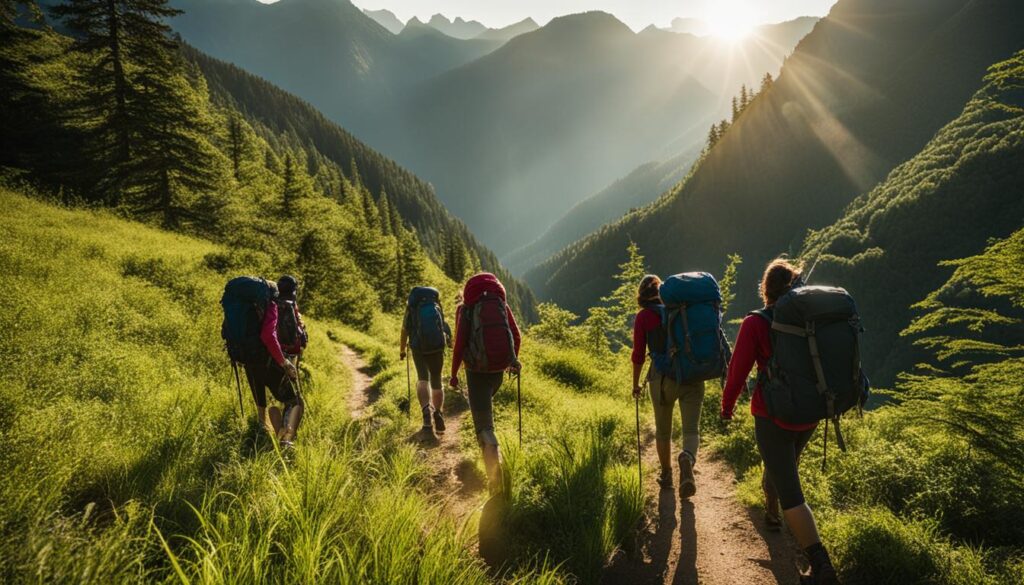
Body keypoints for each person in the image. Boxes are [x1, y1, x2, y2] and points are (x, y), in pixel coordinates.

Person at [721, 259, 839, 584]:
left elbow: (738, 373)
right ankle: (772, 514)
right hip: (810, 413)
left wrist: (727, 407)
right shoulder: (812, 319)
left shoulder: (756, 323)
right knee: (784, 467)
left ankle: (822, 567)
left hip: (772, 415)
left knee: (792, 491)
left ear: (765, 290)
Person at [630, 274, 706, 498]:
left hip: (662, 380)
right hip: (692, 377)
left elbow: (638, 355)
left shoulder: (644, 317)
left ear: (642, 296)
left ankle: (667, 476)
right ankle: (687, 458)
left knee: (663, 431)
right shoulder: (683, 310)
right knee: (691, 429)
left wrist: (636, 384)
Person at [449, 273, 521, 495]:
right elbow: (516, 336)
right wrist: (511, 361)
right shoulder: (501, 305)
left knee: (484, 429)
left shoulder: (466, 309)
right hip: (498, 370)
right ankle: (497, 471)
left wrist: (453, 374)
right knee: (486, 416)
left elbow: (459, 344)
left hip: (476, 373)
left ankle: (496, 484)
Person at [245, 275, 306, 448]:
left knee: (261, 404)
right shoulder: (282, 306)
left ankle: (260, 437)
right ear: (293, 291)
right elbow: (270, 336)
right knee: (293, 401)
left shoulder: (261, 304)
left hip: (251, 358)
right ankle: (285, 440)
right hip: (274, 360)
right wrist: (285, 362)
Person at [399, 287, 452, 438]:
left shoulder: (412, 307)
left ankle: (426, 416)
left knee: (422, 379)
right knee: (436, 379)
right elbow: (443, 325)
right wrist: (450, 344)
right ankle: (439, 414)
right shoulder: (435, 303)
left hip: (418, 348)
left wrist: (402, 350)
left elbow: (404, 330)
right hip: (436, 347)